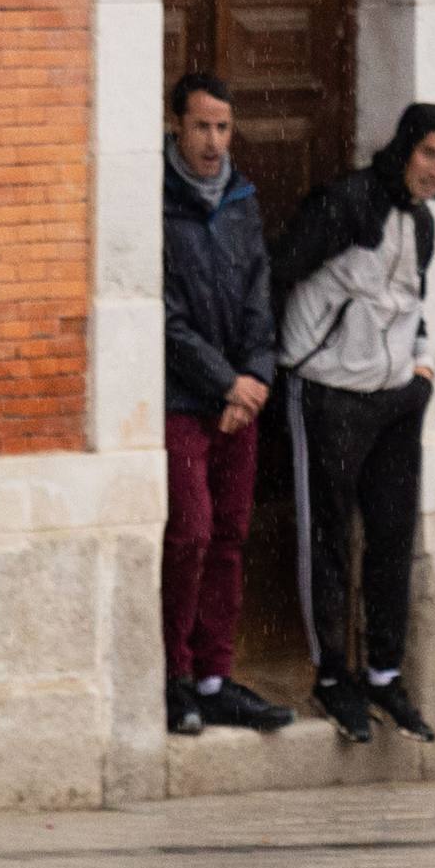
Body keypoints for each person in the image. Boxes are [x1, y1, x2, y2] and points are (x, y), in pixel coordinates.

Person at [274, 102, 435, 744]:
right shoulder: (346, 204)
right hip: (327, 395)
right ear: (405, 146)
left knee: (391, 537)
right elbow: (279, 273)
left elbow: (413, 304)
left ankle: (384, 674)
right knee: (326, 538)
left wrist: (424, 370)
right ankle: (333, 678)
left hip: (394, 401)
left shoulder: (425, 224)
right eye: (428, 155)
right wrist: (288, 361)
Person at [159, 72, 293, 737]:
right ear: (175, 127)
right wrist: (224, 382)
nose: (213, 141)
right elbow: (166, 315)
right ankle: (175, 676)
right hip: (187, 401)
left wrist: (258, 375)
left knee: (231, 540)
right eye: (201, 127)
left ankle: (215, 675)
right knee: (191, 534)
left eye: (222, 128)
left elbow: (257, 297)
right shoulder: (158, 203)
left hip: (240, 403)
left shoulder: (242, 199)